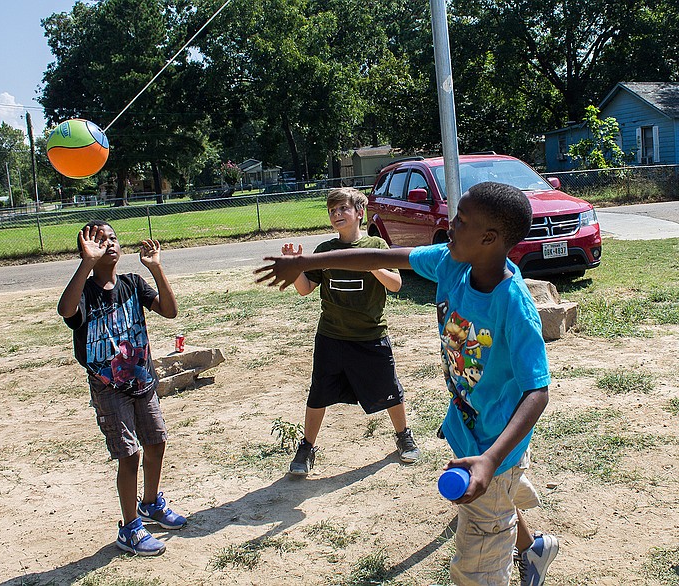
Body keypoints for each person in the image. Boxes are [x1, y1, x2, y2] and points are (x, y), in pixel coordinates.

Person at [256, 182, 558, 585]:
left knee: (478, 564)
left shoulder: (513, 303)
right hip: (468, 427)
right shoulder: (453, 263)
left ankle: (513, 520)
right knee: (492, 497)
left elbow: (536, 390)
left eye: (462, 220)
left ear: (490, 238)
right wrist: (305, 263)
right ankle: (533, 544)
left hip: (494, 443)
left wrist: (490, 459)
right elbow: (378, 256)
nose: (451, 225)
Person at [57, 221, 186, 556]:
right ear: (86, 250)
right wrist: (86, 264)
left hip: (142, 380)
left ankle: (150, 504)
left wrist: (156, 268)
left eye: (112, 238)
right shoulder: (84, 291)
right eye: (99, 241)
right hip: (108, 387)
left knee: (156, 441)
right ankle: (130, 529)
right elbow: (66, 311)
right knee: (129, 455)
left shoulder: (132, 283)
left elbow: (170, 312)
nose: (109, 244)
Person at [280, 187, 420, 476]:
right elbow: (305, 289)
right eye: (332, 211)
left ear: (359, 213)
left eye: (342, 208)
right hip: (332, 336)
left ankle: (404, 436)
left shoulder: (376, 245)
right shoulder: (326, 251)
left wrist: (370, 265)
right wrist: (295, 269)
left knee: (390, 390)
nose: (337, 214)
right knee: (318, 394)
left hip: (371, 335)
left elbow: (395, 285)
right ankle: (306, 448)